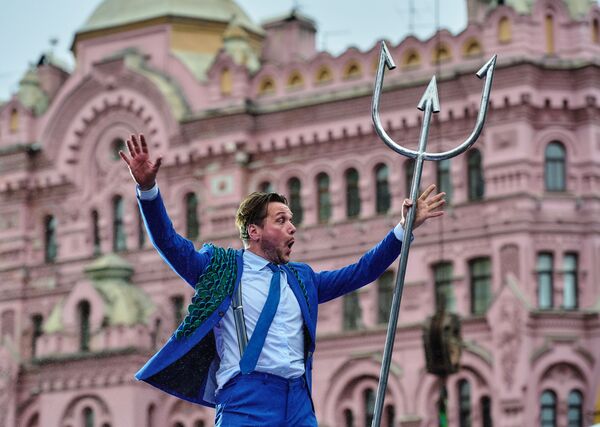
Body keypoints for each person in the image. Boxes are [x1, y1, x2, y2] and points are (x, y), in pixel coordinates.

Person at [120, 134, 445, 426]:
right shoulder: (221, 268)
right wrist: (148, 190)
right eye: (281, 220)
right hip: (246, 402)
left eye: (291, 220)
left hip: (298, 403)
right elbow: (168, 242)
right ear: (254, 231)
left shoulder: (302, 280)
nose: (293, 228)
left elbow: (362, 271)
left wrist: (403, 229)